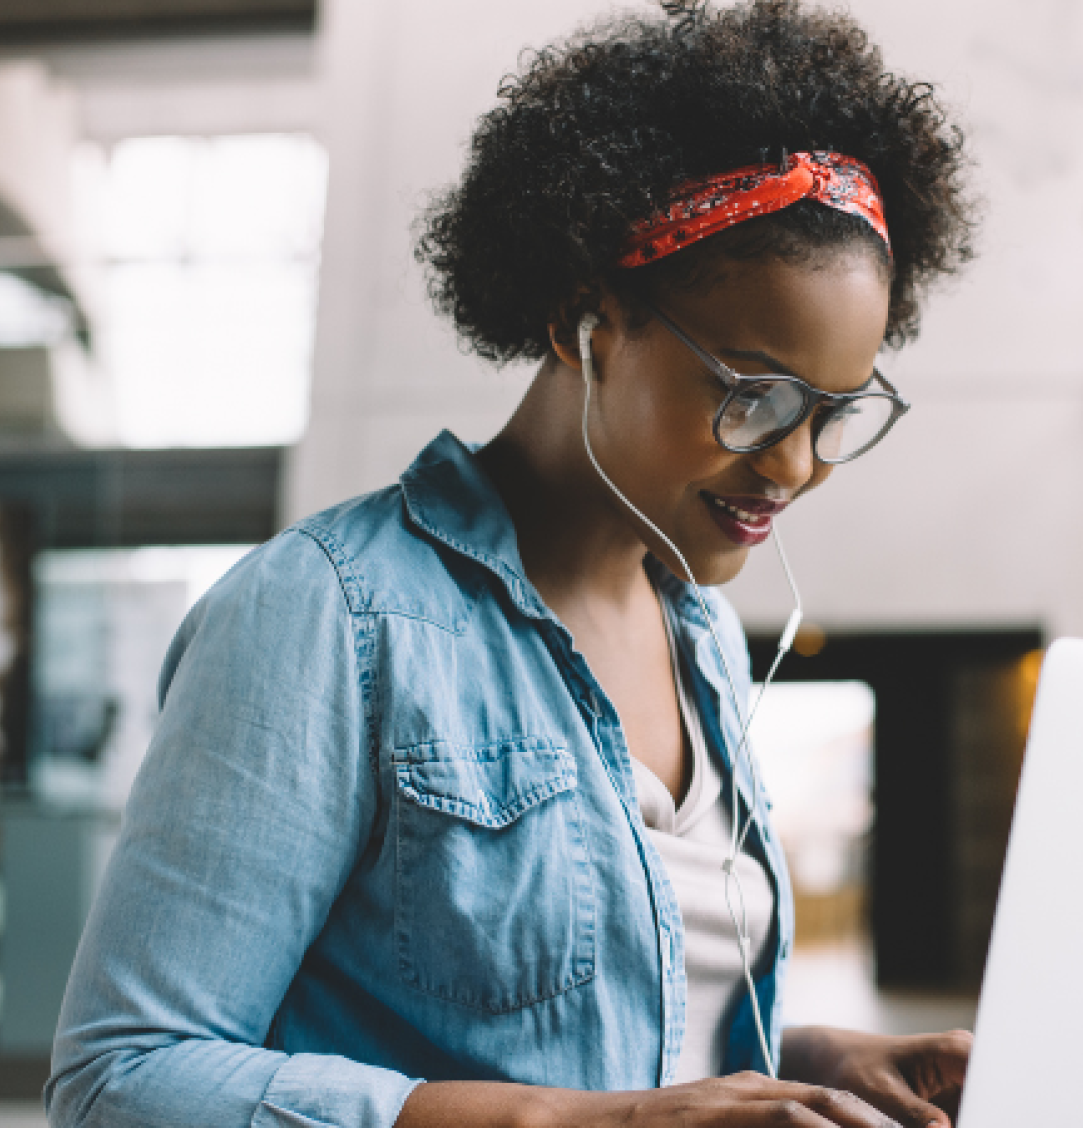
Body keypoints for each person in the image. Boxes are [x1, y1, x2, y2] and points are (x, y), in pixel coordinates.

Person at [45, 1, 976, 1125]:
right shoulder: (326, 618)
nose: (795, 465)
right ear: (587, 321)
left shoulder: (703, 637)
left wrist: (811, 1059)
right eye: (751, 396)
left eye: (834, 412)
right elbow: (123, 1080)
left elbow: (618, 1011)